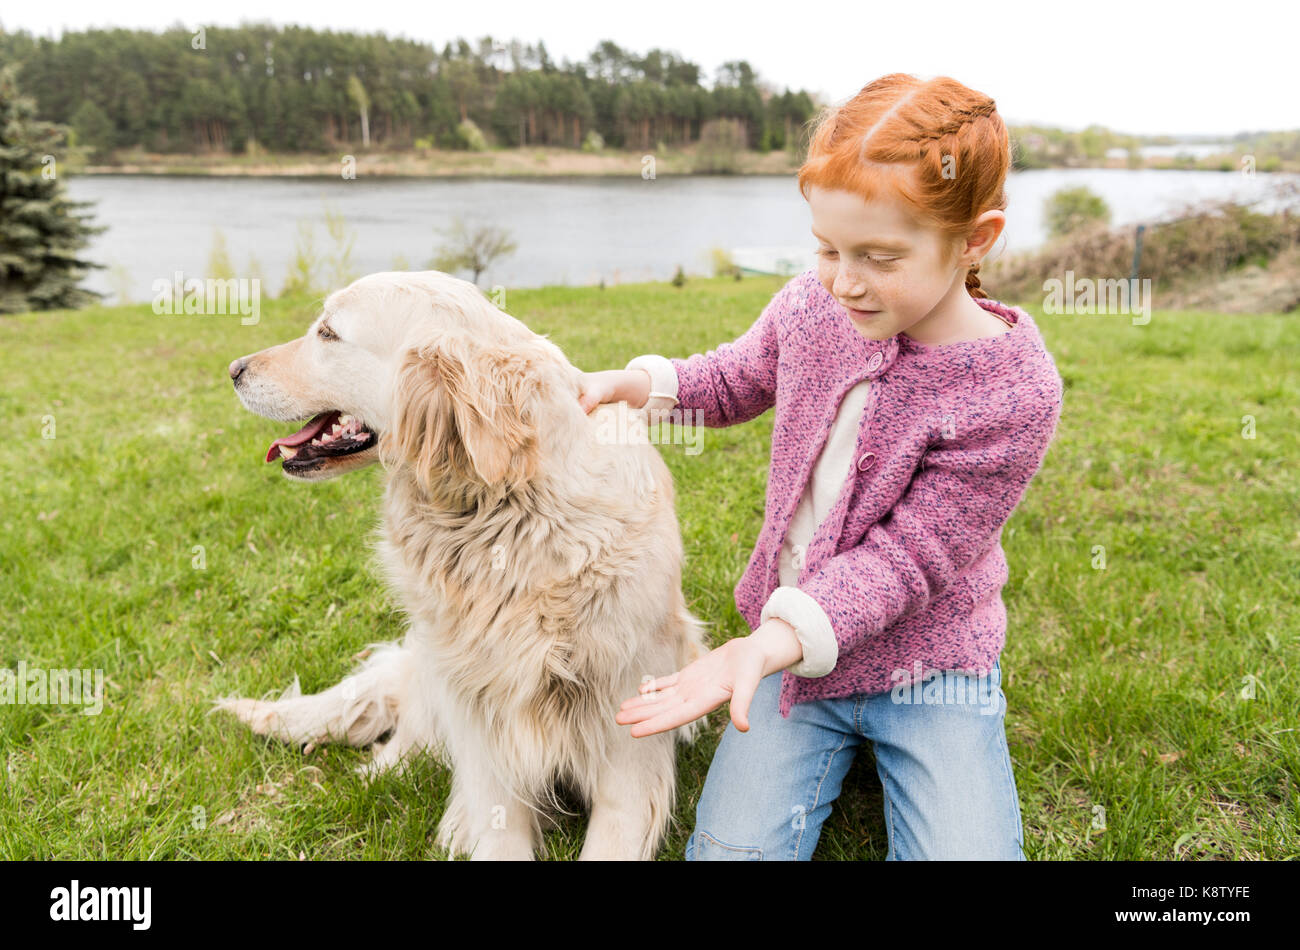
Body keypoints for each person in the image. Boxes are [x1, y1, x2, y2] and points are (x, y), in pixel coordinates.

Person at [576, 73, 1064, 860]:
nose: (843, 279)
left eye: (878, 255)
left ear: (975, 238)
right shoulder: (815, 307)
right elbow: (737, 376)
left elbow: (908, 559)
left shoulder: (1014, 390)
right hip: (789, 661)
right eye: (828, 248)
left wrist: (763, 646)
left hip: (928, 666)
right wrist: (638, 386)